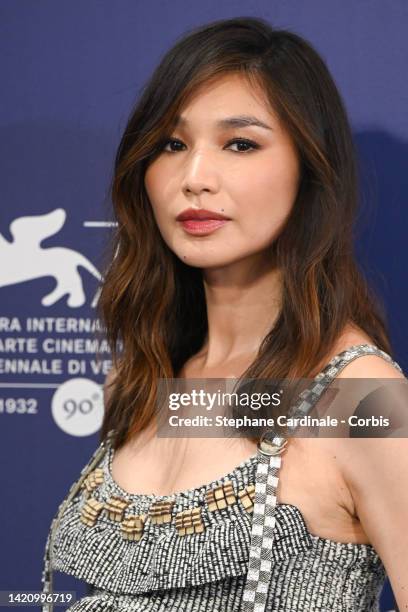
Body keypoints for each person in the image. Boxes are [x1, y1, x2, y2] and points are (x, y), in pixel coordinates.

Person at [41, 16, 408, 611]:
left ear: (309, 171)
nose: (194, 179)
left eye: (240, 144)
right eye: (172, 144)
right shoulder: (141, 381)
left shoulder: (363, 399)